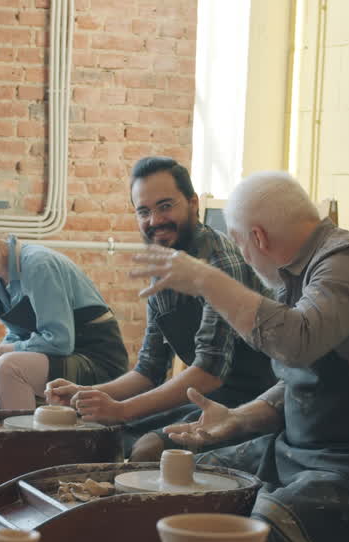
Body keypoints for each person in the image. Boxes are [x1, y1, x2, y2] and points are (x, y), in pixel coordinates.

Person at [129, 170, 349, 542]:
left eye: (241, 245)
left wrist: (205, 279)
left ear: (257, 238)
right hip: (299, 452)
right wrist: (239, 418)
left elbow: (295, 342)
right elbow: (302, 379)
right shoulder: (295, 276)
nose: (245, 258)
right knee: (176, 482)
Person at [45, 157, 275, 459]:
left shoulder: (221, 260)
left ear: (192, 203)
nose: (154, 221)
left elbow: (210, 372)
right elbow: (149, 369)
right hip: (205, 395)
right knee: (98, 436)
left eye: (165, 206)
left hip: (255, 402)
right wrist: (87, 394)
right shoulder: (164, 262)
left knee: (148, 450)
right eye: (144, 211)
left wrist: (122, 410)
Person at [0, 213, 128, 410]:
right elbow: (18, 335)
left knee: (7, 367)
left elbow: (60, 341)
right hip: (57, 355)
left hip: (95, 358)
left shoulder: (37, 265)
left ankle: (22, 437)